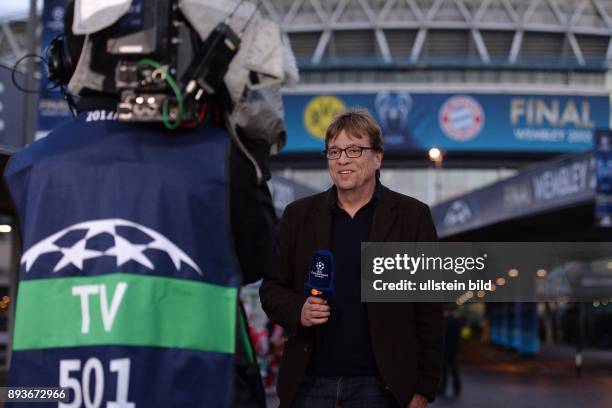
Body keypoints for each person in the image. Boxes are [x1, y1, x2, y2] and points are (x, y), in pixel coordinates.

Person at [5, 2, 277, 407]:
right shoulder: (220, 161)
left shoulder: (28, 166)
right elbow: (261, 259)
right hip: (189, 391)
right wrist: (243, 139)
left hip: (46, 393)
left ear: (68, 62)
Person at [260, 108, 443, 407]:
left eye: (354, 149)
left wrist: (423, 389)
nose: (342, 160)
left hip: (381, 389)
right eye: (334, 151)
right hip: (308, 386)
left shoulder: (413, 217)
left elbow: (430, 310)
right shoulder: (298, 216)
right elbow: (272, 288)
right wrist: (298, 310)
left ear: (377, 157)